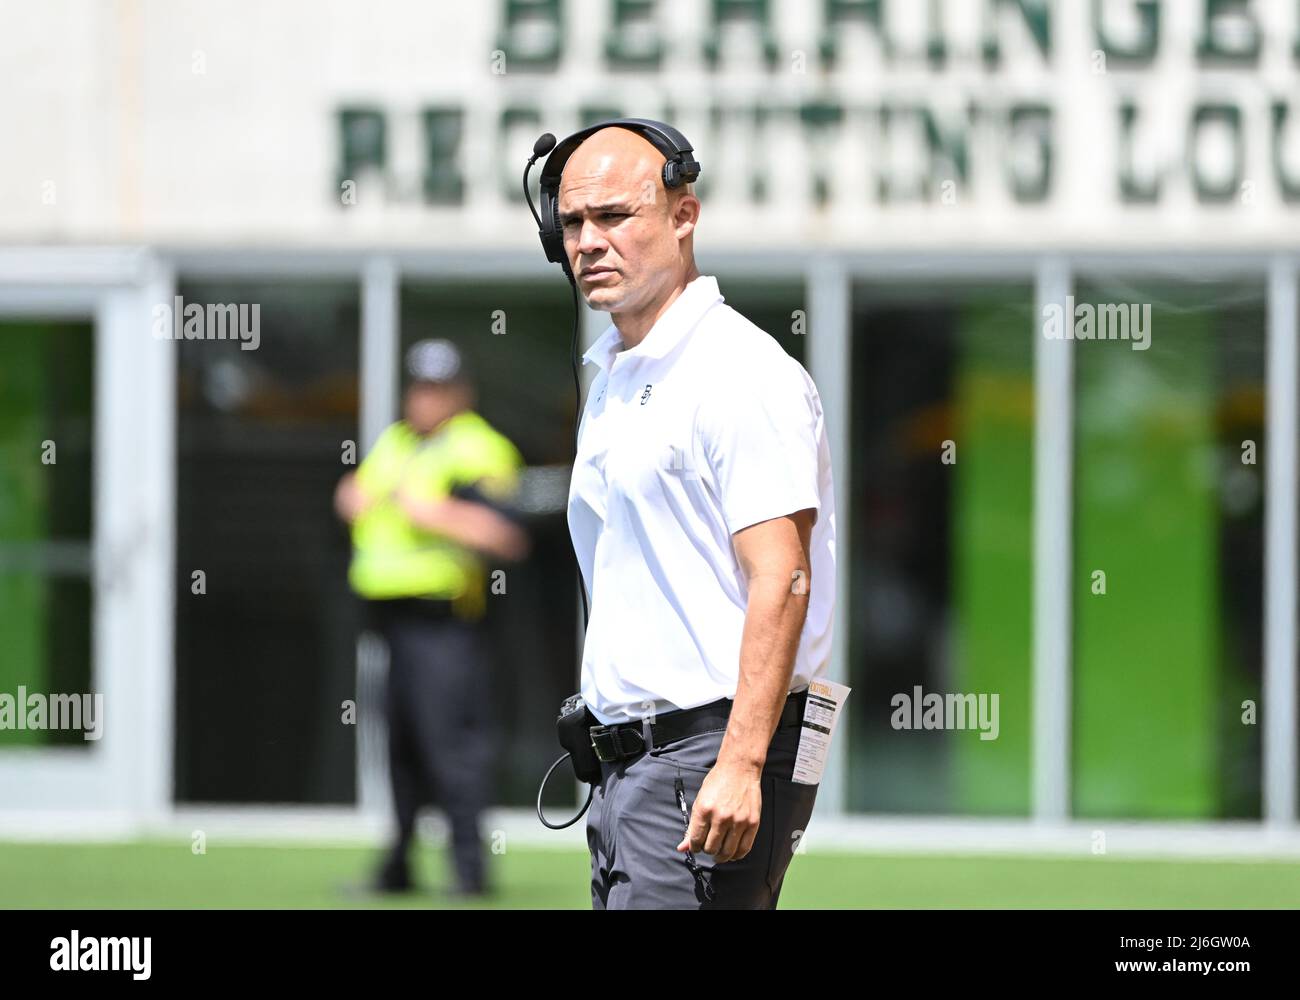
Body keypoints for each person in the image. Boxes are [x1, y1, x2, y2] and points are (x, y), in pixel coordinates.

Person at [561, 124, 837, 908]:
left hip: (705, 756)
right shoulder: (617, 373)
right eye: (574, 223)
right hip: (638, 767)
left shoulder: (738, 372)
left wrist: (743, 762)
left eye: (615, 216)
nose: (588, 241)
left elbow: (782, 576)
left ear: (684, 216)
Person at [335, 338, 529, 898]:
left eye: (438, 389)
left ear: (461, 393)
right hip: (390, 623)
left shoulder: (477, 449)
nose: (425, 399)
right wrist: (350, 498)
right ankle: (398, 865)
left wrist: (434, 515)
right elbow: (360, 497)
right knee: (399, 749)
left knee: (453, 749)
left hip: (446, 625)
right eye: (419, 387)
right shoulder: (396, 442)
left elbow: (505, 534)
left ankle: (470, 873)